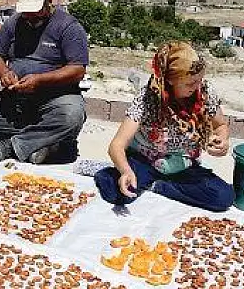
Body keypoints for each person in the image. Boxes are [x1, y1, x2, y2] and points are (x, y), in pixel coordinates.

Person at [94, 41, 234, 212]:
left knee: (223, 197)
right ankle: (112, 173)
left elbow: (221, 125)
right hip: (146, 162)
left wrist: (222, 139)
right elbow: (117, 145)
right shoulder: (148, 98)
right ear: (170, 80)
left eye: (199, 80)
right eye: (190, 83)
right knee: (119, 194)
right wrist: (125, 171)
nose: (196, 87)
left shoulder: (204, 92)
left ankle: (159, 186)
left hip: (183, 165)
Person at [0, 0, 89, 164]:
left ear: (48, 0)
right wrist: (4, 73)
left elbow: (77, 70)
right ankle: (48, 145)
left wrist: (41, 80)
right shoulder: (13, 23)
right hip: (18, 98)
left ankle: (10, 146)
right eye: (27, 12)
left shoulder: (68, 27)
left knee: (71, 116)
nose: (31, 16)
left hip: (56, 97)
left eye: (36, 11)